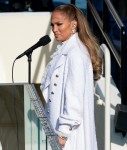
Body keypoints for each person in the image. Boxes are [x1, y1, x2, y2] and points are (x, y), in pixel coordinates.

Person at [40, 4, 102, 150]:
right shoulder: (67, 50)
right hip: (58, 129)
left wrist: (62, 134)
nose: (54, 29)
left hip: (70, 136)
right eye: (52, 25)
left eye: (59, 24)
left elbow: (74, 98)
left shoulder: (76, 53)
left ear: (73, 24)